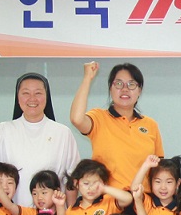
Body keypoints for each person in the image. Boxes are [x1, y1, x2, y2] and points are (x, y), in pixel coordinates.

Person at [0, 75, 81, 206]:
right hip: (10, 213)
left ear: (47, 97)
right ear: (18, 97)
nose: (32, 98)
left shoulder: (63, 133)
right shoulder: (4, 130)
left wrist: (70, 214)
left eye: (38, 93)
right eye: (26, 93)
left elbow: (71, 180)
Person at [69, 61, 165, 190]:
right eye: (119, 84)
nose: (125, 89)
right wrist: (87, 78)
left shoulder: (150, 125)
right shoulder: (99, 118)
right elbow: (76, 119)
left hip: (144, 199)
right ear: (110, 88)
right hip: (108, 199)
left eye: (131, 84)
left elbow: (159, 171)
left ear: (139, 91)